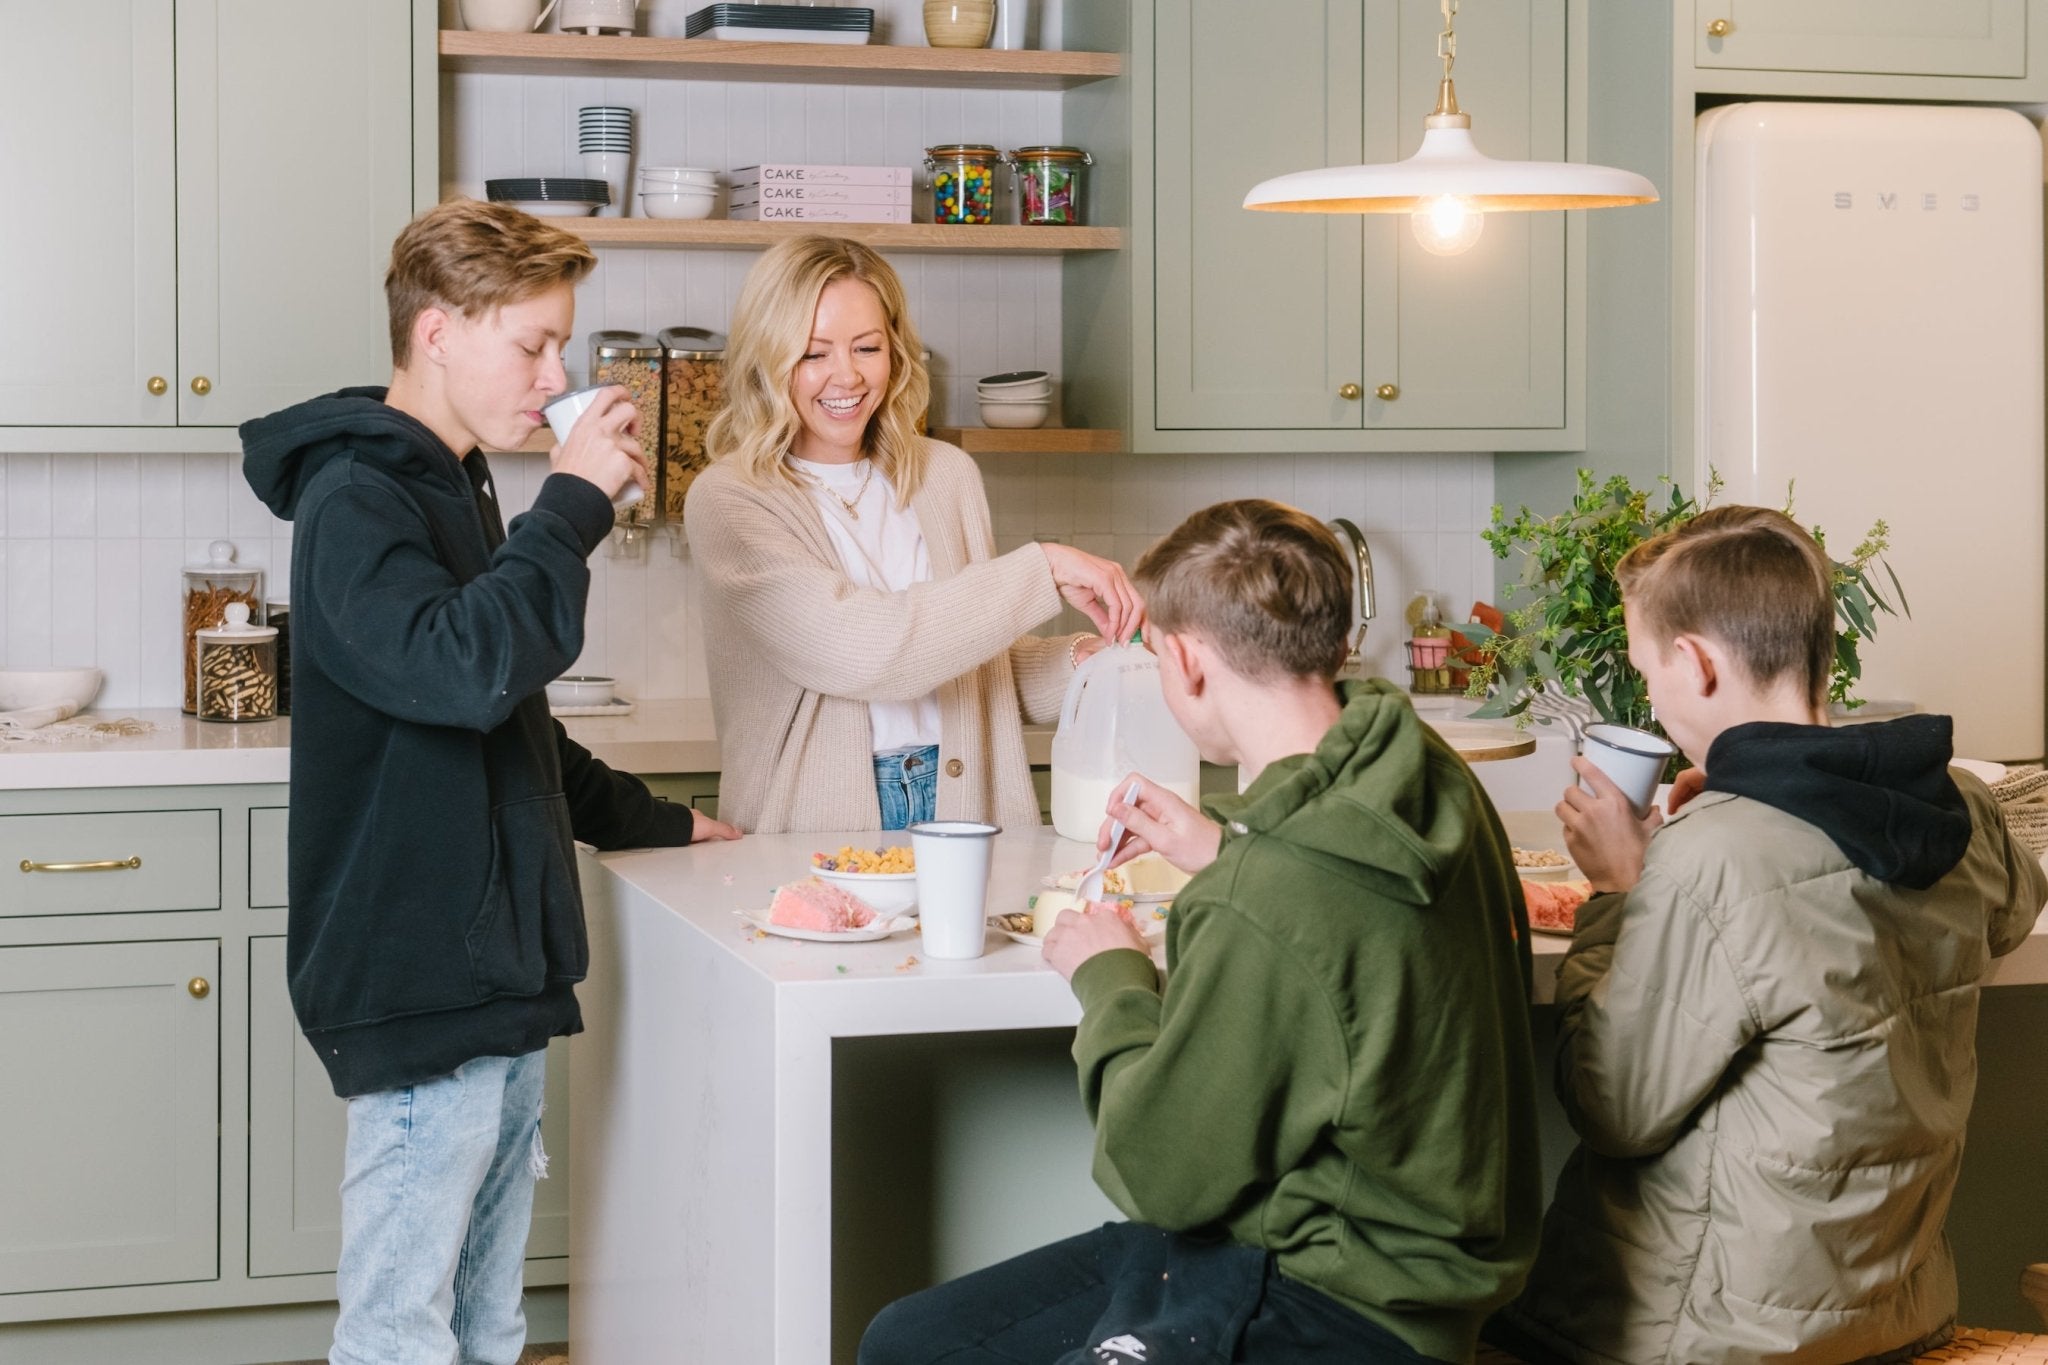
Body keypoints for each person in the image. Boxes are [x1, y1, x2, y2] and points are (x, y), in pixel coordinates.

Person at [859, 499, 1543, 1365]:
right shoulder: (1424, 773)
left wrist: (1109, 976)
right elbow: (1340, 901)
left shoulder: (1265, 895)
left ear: (1182, 661)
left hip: (1325, 1298)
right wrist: (1222, 841)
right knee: (910, 1339)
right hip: (1412, 1267)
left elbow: (1157, 1171)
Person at [241, 198, 740, 1365]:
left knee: (482, 1315)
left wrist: (663, 821)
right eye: (533, 344)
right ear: (437, 336)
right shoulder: (357, 500)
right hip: (422, 973)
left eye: (560, 346)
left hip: (488, 971)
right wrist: (568, 506)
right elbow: (462, 671)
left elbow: (510, 725)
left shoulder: (451, 484)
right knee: (402, 1325)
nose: (554, 373)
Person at [1491, 506, 2047, 1365]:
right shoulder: (1958, 810)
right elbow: (2010, 911)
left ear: (1698, 664)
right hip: (1895, 1312)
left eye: (1648, 670)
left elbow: (1609, 1107)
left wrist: (1617, 888)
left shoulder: (1708, 857)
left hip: (1711, 1335)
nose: (1651, 695)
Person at [683, 234, 1143, 833]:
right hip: (816, 820)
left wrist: (1091, 661)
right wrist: (1043, 568)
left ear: (896, 352)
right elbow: (860, 650)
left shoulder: (944, 475)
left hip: (967, 804)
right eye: (812, 353)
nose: (845, 376)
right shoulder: (730, 498)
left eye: (867, 347)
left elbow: (971, 668)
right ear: (767, 363)